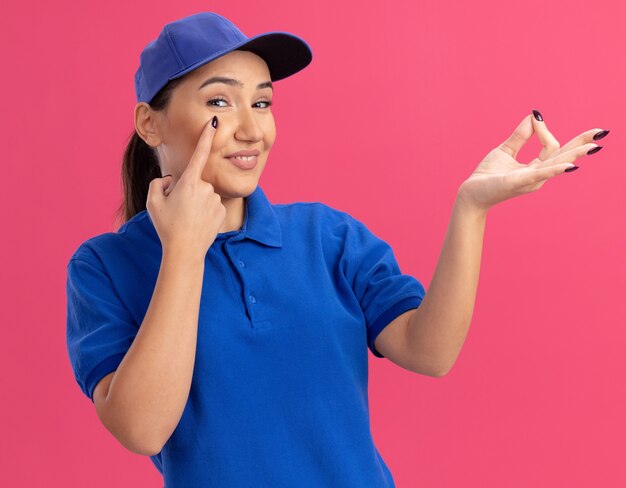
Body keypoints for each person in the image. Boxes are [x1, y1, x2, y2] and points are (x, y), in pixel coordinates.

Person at [65, 11, 610, 488]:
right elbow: (142, 428)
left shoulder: (327, 238)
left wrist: (470, 209)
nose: (252, 129)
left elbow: (429, 351)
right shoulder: (104, 267)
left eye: (263, 102)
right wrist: (184, 249)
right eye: (219, 102)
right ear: (149, 123)